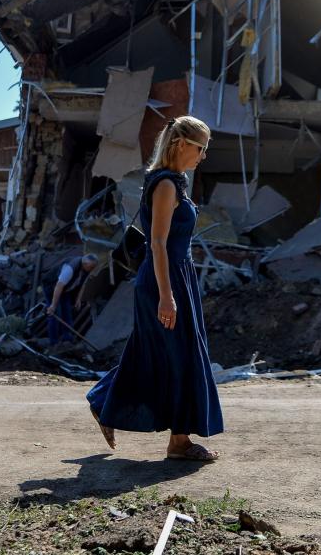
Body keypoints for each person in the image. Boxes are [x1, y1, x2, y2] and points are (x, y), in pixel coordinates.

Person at [86, 115, 223, 461]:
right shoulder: (165, 185)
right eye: (200, 148)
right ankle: (176, 441)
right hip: (165, 280)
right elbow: (158, 243)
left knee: (168, 354)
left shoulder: (175, 183)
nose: (203, 156)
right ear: (180, 145)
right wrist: (167, 296)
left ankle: (109, 404)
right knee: (171, 355)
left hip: (178, 276)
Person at [45, 253, 99, 346]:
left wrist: (78, 299)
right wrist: (53, 305)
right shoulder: (70, 268)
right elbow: (59, 286)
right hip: (52, 287)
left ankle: (67, 339)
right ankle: (54, 343)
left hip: (66, 290)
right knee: (55, 313)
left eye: (94, 267)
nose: (92, 269)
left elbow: (83, 284)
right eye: (91, 267)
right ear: (85, 264)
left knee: (67, 312)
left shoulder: (86, 269)